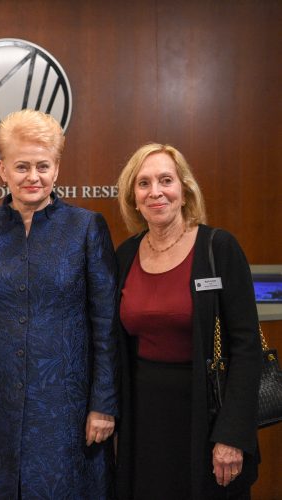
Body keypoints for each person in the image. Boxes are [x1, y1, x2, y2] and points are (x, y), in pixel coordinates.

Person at [0, 109, 118, 499]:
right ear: (3, 170)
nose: (33, 176)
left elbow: (106, 322)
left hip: (68, 411)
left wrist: (103, 403)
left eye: (43, 166)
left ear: (57, 168)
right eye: (22, 166)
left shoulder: (86, 227)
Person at [114, 143, 262, 500]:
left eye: (166, 180)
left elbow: (246, 347)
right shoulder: (125, 255)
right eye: (144, 183)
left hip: (206, 415)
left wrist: (231, 434)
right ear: (133, 197)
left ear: (184, 190)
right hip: (142, 421)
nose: (156, 192)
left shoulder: (218, 248)